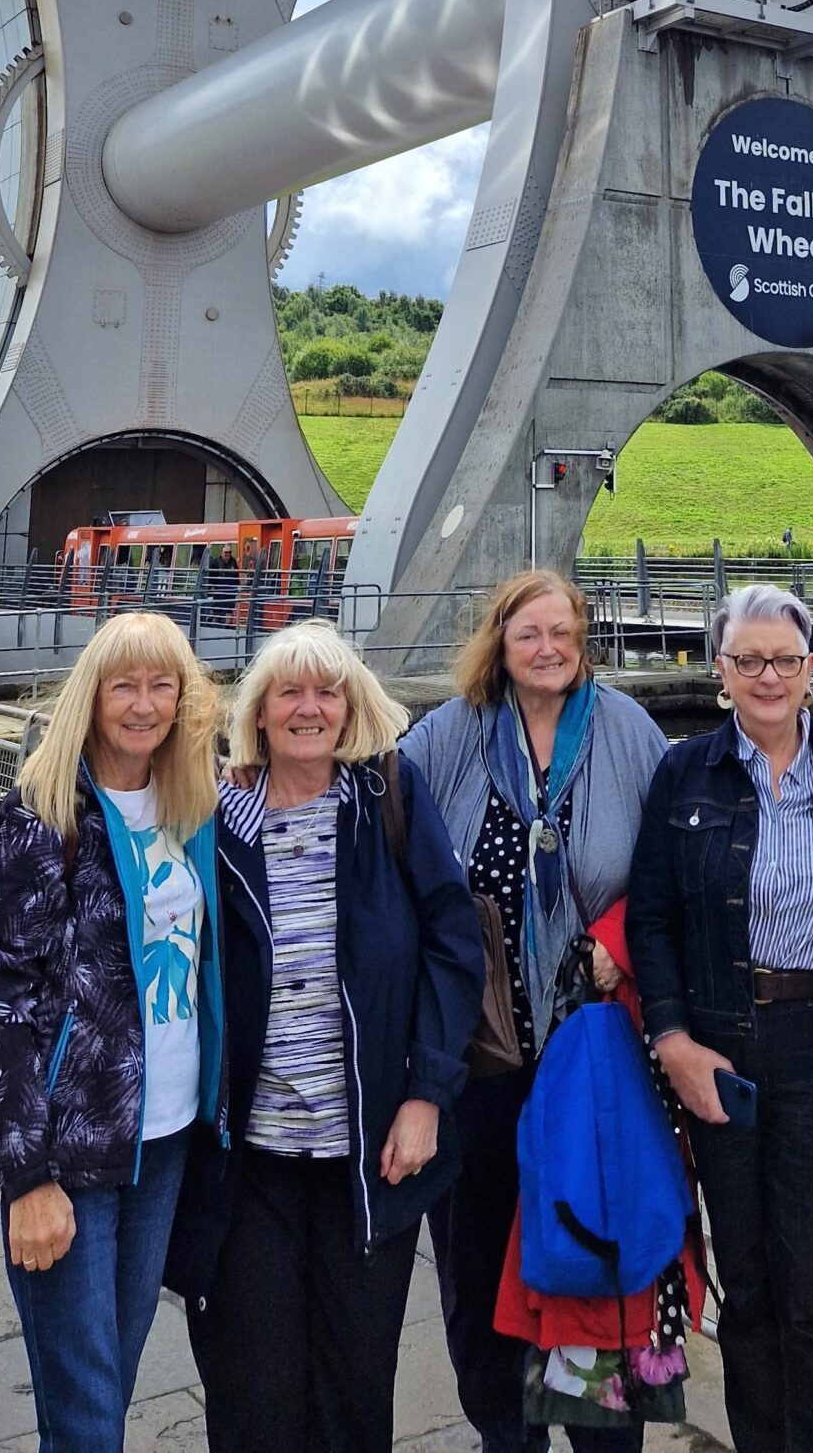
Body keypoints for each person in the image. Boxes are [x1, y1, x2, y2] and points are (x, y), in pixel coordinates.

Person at [168, 622, 482, 1453]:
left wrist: (427, 1095)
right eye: (290, 693)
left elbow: (455, 948)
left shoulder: (389, 801)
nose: (310, 708)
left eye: (328, 692)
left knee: (355, 1385)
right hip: (250, 1161)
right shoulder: (212, 817)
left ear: (351, 709)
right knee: (254, 1391)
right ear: (259, 713)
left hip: (369, 1157)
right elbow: (133, 897)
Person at [401, 568, 667, 1453]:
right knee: (478, 1260)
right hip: (479, 1052)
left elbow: (668, 871)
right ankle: (505, 1433)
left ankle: (603, 1433)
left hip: (593, 1048)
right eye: (529, 634)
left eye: (562, 632)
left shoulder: (629, 732)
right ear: (500, 644)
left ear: (582, 640)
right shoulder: (450, 734)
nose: (547, 649)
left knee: (598, 1249)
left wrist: (617, 939)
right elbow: (380, 821)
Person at [628, 585, 813, 1453]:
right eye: (748, 660)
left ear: (810, 670)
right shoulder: (684, 774)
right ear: (720, 670)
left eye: (784, 660)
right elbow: (651, 918)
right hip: (720, 1051)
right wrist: (672, 1041)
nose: (767, 676)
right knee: (748, 1288)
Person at [0, 612, 224, 1453]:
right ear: (93, 695)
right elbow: (7, 1006)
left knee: (108, 1388)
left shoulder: (193, 802)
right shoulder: (45, 811)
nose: (144, 705)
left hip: (167, 1136)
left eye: (162, 686)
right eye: (125, 686)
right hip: (70, 1146)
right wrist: (27, 1179)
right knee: (84, 1413)